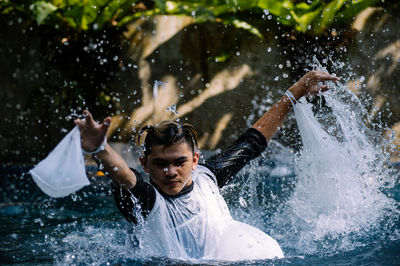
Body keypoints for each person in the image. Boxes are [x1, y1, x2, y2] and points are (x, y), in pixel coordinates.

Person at [75, 70, 339, 261]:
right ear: (144, 164)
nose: (170, 172)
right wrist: (101, 149)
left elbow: (253, 140)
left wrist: (296, 92)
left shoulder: (207, 177)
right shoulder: (149, 200)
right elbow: (125, 177)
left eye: (180, 162)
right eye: (160, 164)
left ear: (195, 160)